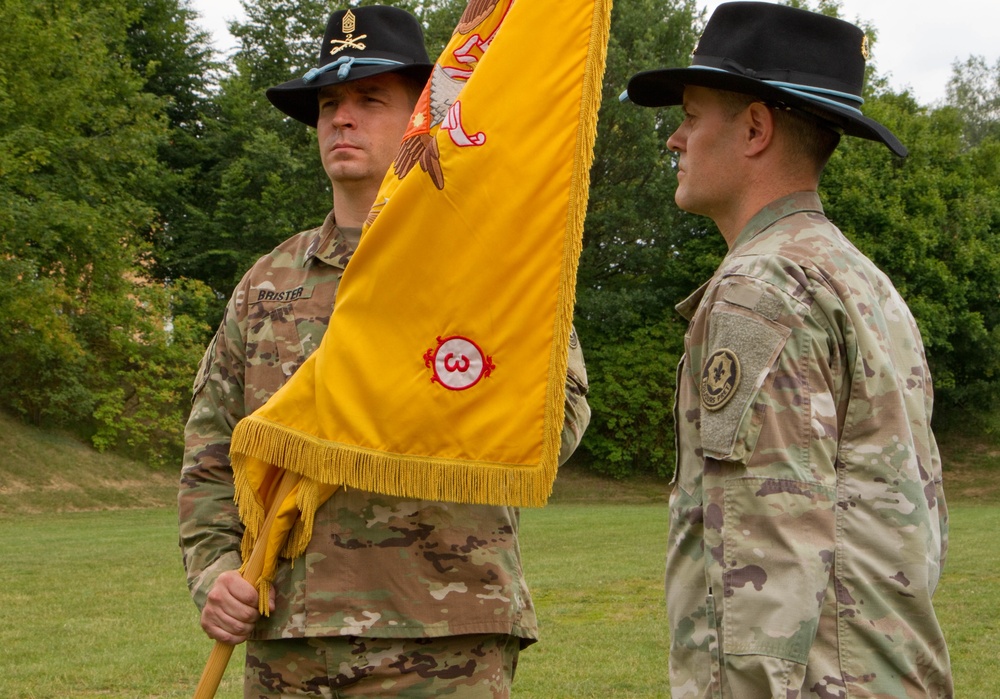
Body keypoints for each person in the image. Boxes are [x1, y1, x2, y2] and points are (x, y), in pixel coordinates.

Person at [178, 6, 591, 697]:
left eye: (371, 99)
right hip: (291, 638)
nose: (343, 117)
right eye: (330, 103)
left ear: (417, 119)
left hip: (443, 635)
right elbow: (211, 452)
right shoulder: (266, 285)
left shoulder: (485, 269)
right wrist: (215, 573)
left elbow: (561, 417)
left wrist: (390, 405)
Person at [622, 3, 952, 697]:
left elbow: (760, 554)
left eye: (690, 114)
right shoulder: (862, 280)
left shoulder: (760, 285)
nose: (675, 139)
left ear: (754, 128)